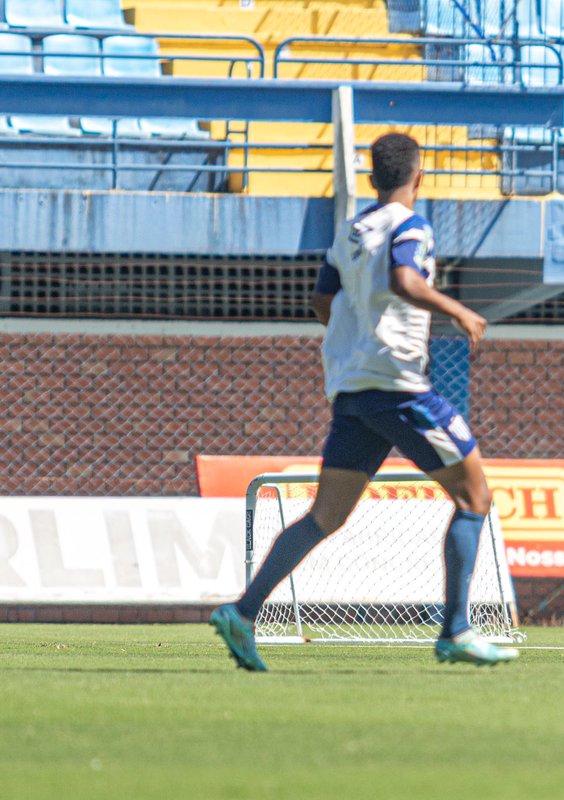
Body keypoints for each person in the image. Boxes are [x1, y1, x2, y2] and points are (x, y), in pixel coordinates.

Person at [210, 133, 517, 671]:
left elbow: (321, 300)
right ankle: (457, 631)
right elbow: (404, 279)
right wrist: (458, 311)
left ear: (372, 179)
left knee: (324, 517)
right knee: (475, 497)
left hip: (352, 390)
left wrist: (355, 345)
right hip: (397, 387)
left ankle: (244, 610)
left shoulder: (351, 231)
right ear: (418, 177)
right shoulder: (411, 225)